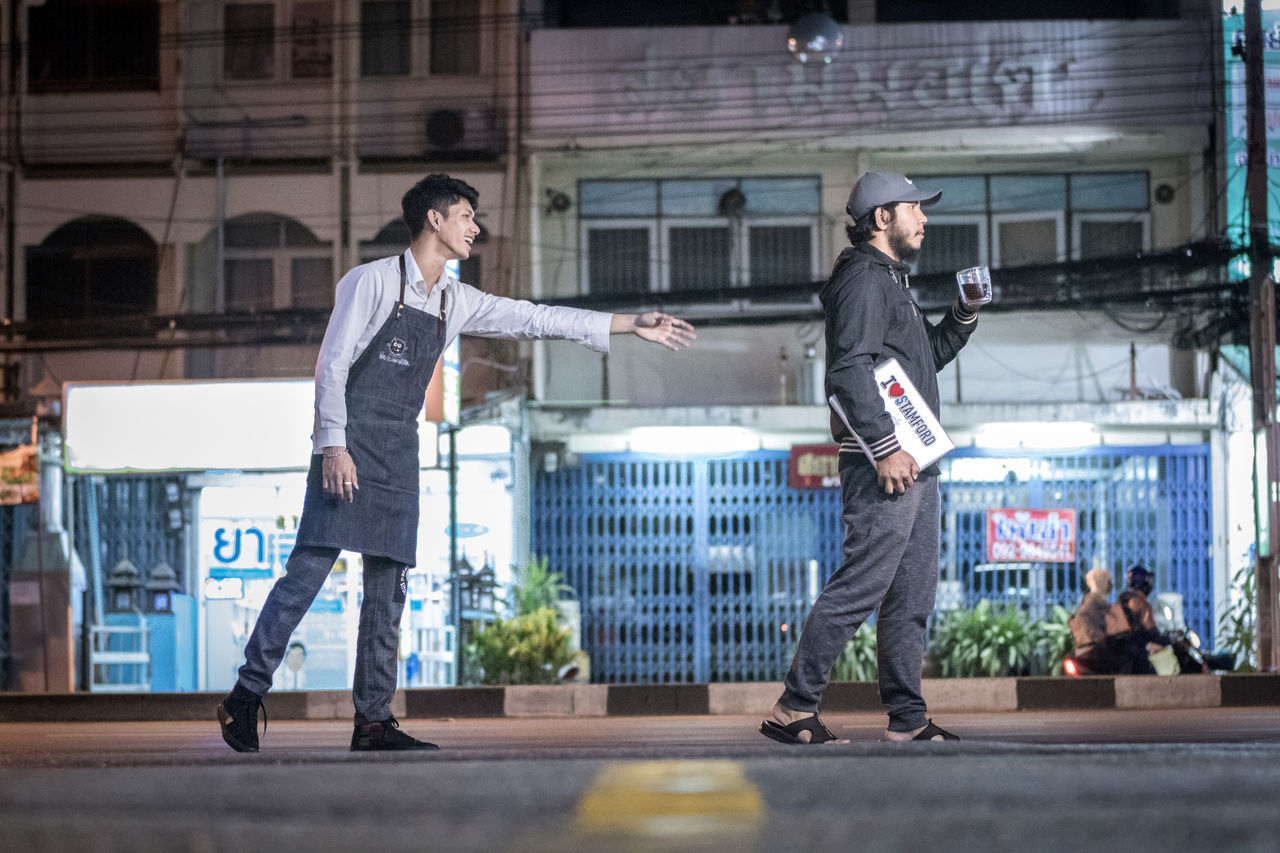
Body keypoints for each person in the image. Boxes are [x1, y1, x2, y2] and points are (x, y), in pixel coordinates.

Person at [218, 173, 696, 752]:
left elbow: (536, 318)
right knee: (309, 573)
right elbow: (333, 365)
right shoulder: (370, 282)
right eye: (466, 214)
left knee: (388, 590)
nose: (476, 226)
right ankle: (244, 695)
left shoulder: (454, 297)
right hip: (349, 444)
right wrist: (334, 446)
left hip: (399, 448)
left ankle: (373, 720)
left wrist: (626, 324)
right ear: (434, 220)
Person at [760, 170, 980, 745]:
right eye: (914, 209)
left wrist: (963, 315)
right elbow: (848, 369)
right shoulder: (862, 279)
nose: (924, 219)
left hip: (917, 460)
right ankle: (794, 706)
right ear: (883, 219)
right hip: (884, 460)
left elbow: (921, 360)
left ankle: (907, 718)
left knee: (910, 599)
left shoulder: (891, 281)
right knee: (861, 583)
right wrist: (884, 447)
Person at [1103, 564, 1171, 675]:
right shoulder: (1142, 603)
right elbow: (1151, 629)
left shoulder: (1123, 600)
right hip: (1135, 652)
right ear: (1142, 582)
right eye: (1147, 580)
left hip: (1118, 649)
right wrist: (1167, 640)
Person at [1068, 568, 1119, 674]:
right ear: (1102, 582)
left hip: (1089, 648)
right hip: (1094, 649)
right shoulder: (1095, 601)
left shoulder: (1091, 600)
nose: (1110, 585)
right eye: (1108, 581)